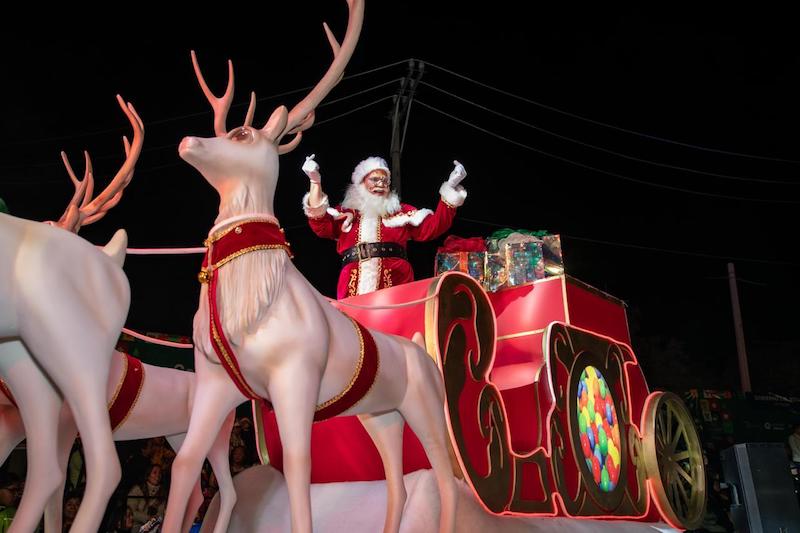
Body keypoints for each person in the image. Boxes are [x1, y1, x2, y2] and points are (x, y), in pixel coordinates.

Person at [302, 155, 468, 298]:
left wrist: (450, 187)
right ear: (360, 183)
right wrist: (315, 182)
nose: (381, 184)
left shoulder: (400, 212)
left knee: (394, 330)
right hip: (352, 282)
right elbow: (320, 225)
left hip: (396, 281)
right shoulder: (346, 213)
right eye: (374, 179)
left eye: (385, 180)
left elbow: (433, 227)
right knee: (351, 330)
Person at [126, 464, 166, 532]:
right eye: (155, 472)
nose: (158, 475)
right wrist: (147, 518)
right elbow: (130, 511)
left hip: (150, 528)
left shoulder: (161, 493)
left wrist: (148, 526)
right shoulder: (138, 489)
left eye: (160, 473)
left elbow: (160, 515)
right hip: (133, 526)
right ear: (148, 475)